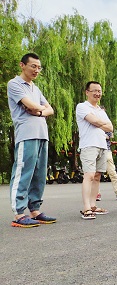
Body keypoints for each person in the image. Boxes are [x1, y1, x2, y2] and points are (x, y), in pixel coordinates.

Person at [7, 53, 57, 227]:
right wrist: (38, 108)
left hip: (42, 134)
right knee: (23, 173)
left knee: (39, 174)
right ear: (22, 65)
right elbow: (30, 104)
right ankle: (19, 213)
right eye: (33, 66)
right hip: (26, 134)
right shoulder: (14, 84)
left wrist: (40, 112)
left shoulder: (35, 88)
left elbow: (49, 109)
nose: (37, 70)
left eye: (39, 67)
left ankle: (34, 210)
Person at [76, 81, 113, 219]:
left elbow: (110, 128)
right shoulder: (82, 106)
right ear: (87, 92)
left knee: (97, 176)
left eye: (100, 91)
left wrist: (98, 122)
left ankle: (93, 205)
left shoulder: (100, 110)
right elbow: (96, 122)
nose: (98, 93)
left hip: (102, 145)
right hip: (88, 145)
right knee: (89, 175)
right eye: (94, 90)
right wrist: (100, 123)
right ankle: (86, 208)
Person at [96, 129, 117, 201]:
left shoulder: (106, 123)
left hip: (106, 151)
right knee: (96, 174)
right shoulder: (92, 122)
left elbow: (110, 135)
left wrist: (100, 135)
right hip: (96, 150)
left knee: (112, 172)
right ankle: (96, 193)